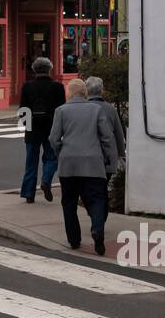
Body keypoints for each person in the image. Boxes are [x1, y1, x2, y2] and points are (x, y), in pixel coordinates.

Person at [48, 78, 120, 255]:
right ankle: (97, 229)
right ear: (85, 93)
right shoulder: (96, 110)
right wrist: (110, 158)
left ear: (69, 93)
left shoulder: (61, 111)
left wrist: (61, 153)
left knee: (69, 202)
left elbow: (53, 139)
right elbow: (107, 137)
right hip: (93, 162)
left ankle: (74, 239)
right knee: (96, 198)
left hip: (69, 163)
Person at [18, 56, 65, 203]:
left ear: (34, 70)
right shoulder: (57, 87)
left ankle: (28, 193)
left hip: (32, 129)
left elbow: (23, 109)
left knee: (31, 162)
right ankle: (46, 181)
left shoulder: (27, 86)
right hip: (51, 128)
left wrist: (26, 128)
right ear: (49, 69)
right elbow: (61, 110)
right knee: (51, 158)